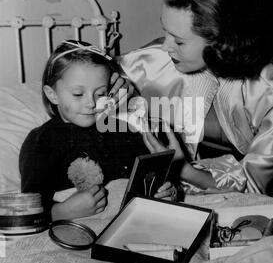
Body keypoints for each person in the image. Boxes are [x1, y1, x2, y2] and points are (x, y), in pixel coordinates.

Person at [124, 0, 273, 198]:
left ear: (219, 40)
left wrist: (181, 167)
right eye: (164, 30)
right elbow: (78, 69)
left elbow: (253, 188)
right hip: (183, 187)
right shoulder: (157, 59)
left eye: (178, 41)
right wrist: (111, 83)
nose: (164, 45)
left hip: (269, 192)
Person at [19, 40, 176, 223]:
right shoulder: (42, 141)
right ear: (52, 94)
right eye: (78, 94)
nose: (91, 103)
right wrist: (61, 212)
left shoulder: (122, 129)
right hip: (75, 228)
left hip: (131, 221)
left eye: (100, 94)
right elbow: (28, 211)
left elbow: (152, 179)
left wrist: (167, 192)